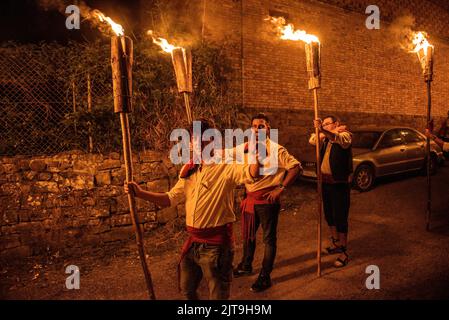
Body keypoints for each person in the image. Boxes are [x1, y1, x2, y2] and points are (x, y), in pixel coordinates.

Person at [125, 119, 261, 300]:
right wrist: (140, 193)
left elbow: (252, 173)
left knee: (218, 296)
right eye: (192, 140)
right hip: (193, 243)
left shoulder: (226, 166)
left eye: (200, 139)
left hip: (216, 246)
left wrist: (255, 151)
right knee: (187, 290)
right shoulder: (190, 169)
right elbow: (170, 199)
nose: (195, 144)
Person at [233, 113, 301, 292]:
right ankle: (246, 265)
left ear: (268, 128)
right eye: (254, 126)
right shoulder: (247, 147)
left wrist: (280, 188)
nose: (256, 130)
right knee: (249, 235)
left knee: (268, 239)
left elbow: (295, 167)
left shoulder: (277, 149)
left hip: (266, 201)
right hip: (250, 200)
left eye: (260, 126)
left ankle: (265, 275)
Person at [309, 115, 353, 268]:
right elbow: (312, 140)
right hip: (325, 183)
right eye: (324, 124)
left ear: (337, 123)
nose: (326, 126)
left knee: (340, 217)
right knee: (329, 215)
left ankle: (344, 252)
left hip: (339, 184)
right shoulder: (325, 138)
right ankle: (335, 243)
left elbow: (338, 138)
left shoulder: (345, 135)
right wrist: (320, 131)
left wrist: (322, 130)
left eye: (329, 124)